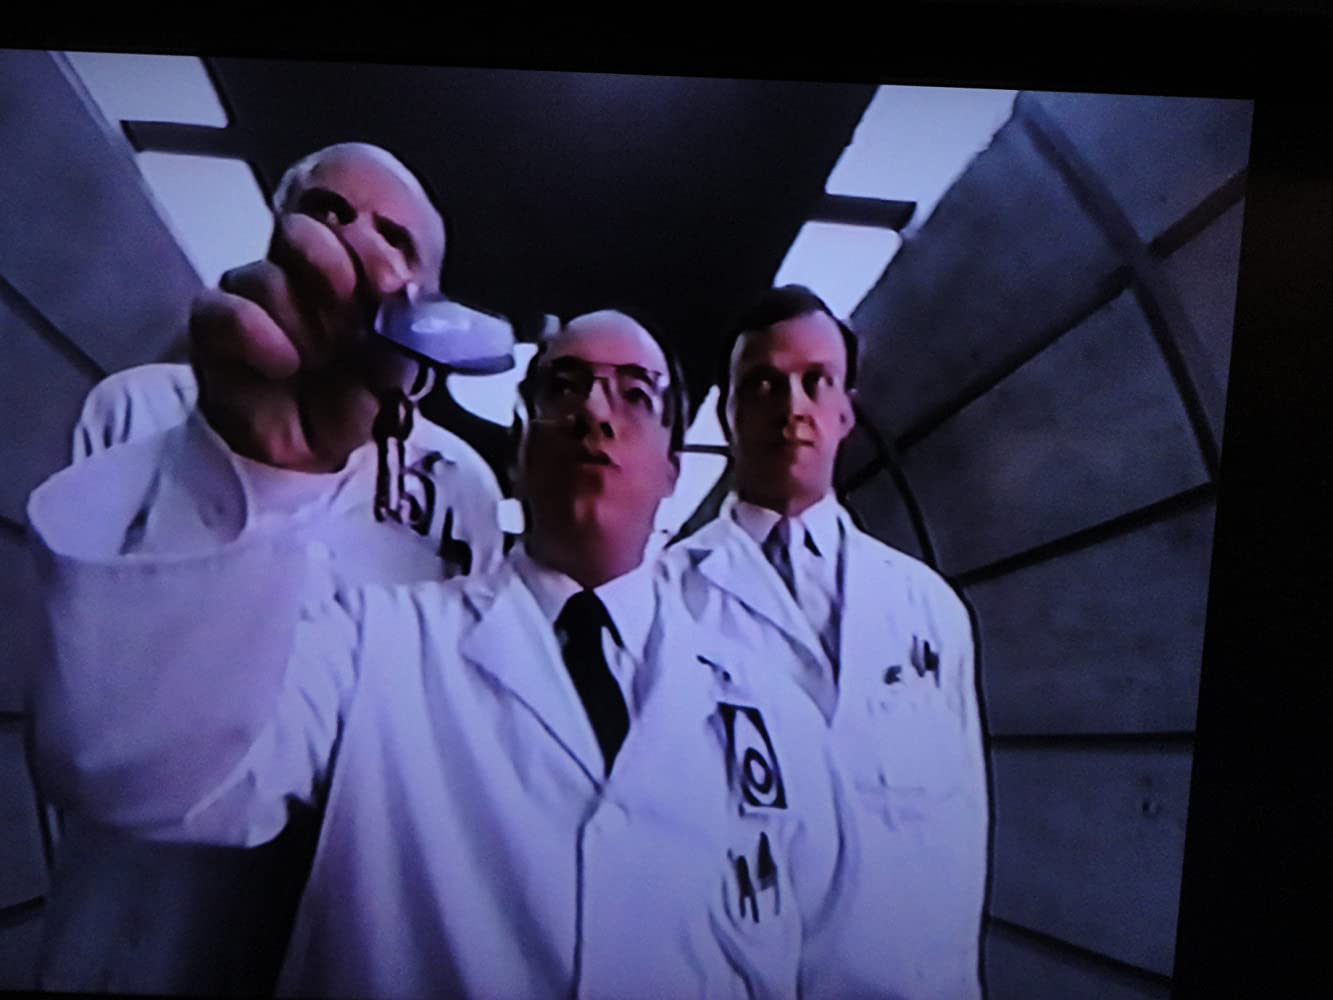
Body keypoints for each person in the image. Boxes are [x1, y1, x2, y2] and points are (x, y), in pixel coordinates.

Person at [27, 201, 859, 996]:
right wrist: (258, 475)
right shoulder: (371, 640)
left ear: (675, 469)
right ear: (517, 450)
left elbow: (831, 961)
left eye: (634, 394)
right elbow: (135, 768)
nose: (593, 414)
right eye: (562, 388)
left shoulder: (775, 710)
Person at [34, 142, 505, 997]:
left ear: (429, 299)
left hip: (330, 917)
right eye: (328, 212)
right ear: (278, 237)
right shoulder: (140, 408)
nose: (355, 241)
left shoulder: (457, 487)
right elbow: (87, 686)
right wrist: (249, 467)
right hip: (129, 907)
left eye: (393, 236)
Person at [667, 285, 989, 999]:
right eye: (762, 385)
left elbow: (961, 837)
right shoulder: (663, 601)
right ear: (726, 413)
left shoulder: (928, 609)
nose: (792, 406)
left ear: (845, 411)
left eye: (815, 382)